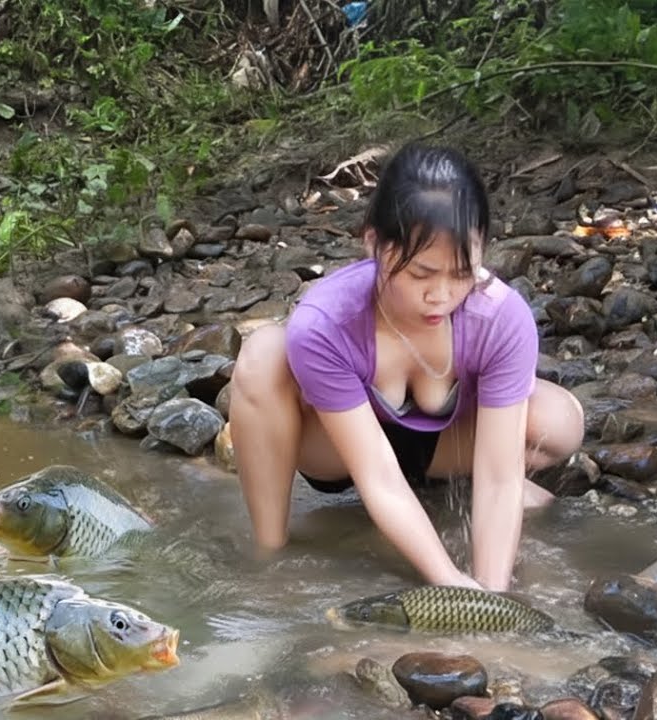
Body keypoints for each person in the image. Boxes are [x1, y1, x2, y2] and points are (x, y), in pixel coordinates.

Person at [229, 143, 585, 592]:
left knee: (559, 420)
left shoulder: (499, 315)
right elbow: (376, 473)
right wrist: (446, 579)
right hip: (338, 452)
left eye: (461, 273)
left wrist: (491, 595)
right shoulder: (326, 322)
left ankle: (436, 491)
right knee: (264, 354)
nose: (441, 295)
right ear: (374, 244)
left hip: (444, 445)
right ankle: (268, 553)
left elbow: (498, 475)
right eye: (421, 275)